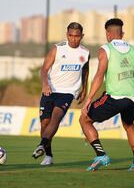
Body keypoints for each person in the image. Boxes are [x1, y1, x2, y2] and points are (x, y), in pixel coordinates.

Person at [79, 18, 134, 172]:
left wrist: (88, 99)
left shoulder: (106, 49)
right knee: (129, 126)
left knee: (84, 119)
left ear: (108, 33)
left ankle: (101, 155)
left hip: (114, 97)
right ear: (122, 33)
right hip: (131, 99)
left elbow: (99, 75)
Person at [32, 22, 90, 165]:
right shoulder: (57, 49)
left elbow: (85, 71)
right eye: (71, 35)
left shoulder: (85, 52)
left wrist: (84, 89)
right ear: (67, 35)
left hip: (68, 92)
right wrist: (45, 84)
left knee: (56, 117)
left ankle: (41, 145)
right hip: (50, 89)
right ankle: (49, 155)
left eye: (77, 36)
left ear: (81, 36)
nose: (73, 39)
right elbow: (44, 69)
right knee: (45, 123)